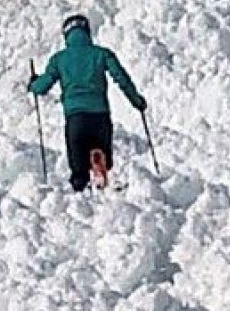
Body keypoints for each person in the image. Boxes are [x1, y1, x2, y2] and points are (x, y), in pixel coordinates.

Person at [29, 13, 147, 191]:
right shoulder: (102, 54)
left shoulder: (59, 59)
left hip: (75, 119)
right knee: (103, 152)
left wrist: (33, 84)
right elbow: (121, 78)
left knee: (79, 171)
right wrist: (137, 101)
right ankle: (99, 159)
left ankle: (80, 188)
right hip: (100, 117)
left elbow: (42, 86)